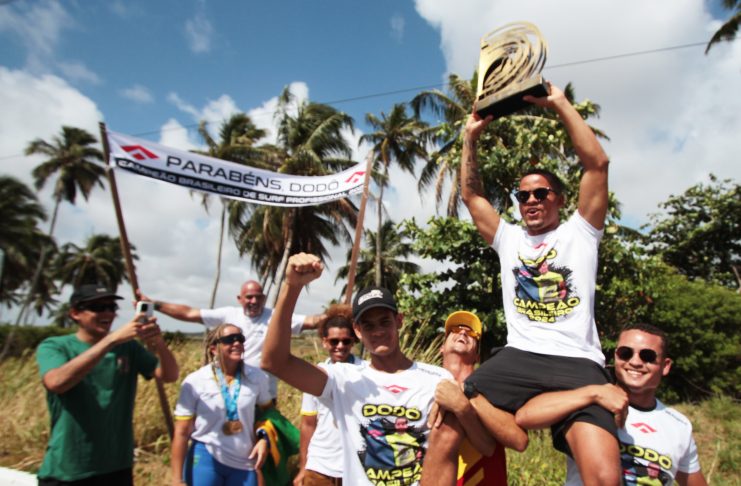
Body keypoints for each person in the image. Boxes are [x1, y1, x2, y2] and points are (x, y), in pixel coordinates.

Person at [426, 83, 617, 485]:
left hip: (578, 361)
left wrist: (559, 103)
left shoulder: (580, 232)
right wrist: (470, 137)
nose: (530, 200)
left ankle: (566, 407)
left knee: (602, 475)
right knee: (446, 418)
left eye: (541, 193)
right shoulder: (509, 238)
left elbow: (597, 164)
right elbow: (471, 194)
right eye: (522, 195)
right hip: (520, 357)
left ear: (560, 199)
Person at [261, 252, 460, 485]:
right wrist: (291, 287)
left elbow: (449, 448)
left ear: (399, 321)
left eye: (385, 321)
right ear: (357, 330)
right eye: (368, 325)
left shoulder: (437, 379)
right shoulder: (343, 379)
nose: (377, 331)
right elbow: (274, 362)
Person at [516, 323, 709, 486]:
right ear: (615, 356)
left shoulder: (679, 425)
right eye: (625, 353)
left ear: (665, 366)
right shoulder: (588, 401)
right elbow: (525, 416)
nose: (635, 362)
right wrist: (592, 394)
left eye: (647, 356)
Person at [36, 284, 179, 485]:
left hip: (116, 466)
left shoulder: (129, 348)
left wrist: (159, 343)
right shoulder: (55, 346)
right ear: (75, 313)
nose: (107, 313)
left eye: (111, 307)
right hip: (69, 468)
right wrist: (111, 341)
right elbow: (56, 382)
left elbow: (169, 375)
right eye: (98, 307)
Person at [138, 280, 325, 399]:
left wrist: (342, 314)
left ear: (264, 298)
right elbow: (189, 313)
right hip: (229, 393)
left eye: (258, 297)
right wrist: (156, 305)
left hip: (264, 395)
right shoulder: (228, 315)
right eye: (249, 297)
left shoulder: (276, 318)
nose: (253, 301)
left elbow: (311, 321)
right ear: (240, 298)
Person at [171, 324, 272, 486]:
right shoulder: (195, 381)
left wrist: (264, 439)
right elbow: (182, 432)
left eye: (240, 339)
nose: (237, 343)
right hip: (206, 456)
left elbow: (269, 415)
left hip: (244, 460)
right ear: (214, 349)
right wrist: (177, 480)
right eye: (229, 340)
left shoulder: (257, 377)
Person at [432, 310, 522, 486]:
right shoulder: (423, 386)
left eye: (471, 333)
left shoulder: (494, 388)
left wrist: (466, 394)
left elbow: (519, 441)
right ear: (441, 348)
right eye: (456, 329)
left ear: (477, 356)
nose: (463, 332)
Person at [294, 304, 364, 486]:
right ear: (325, 342)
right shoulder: (316, 374)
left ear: (353, 341)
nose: (340, 346)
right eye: (334, 341)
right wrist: (303, 467)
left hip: (357, 468)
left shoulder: (366, 373)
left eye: (346, 341)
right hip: (320, 466)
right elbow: (308, 424)